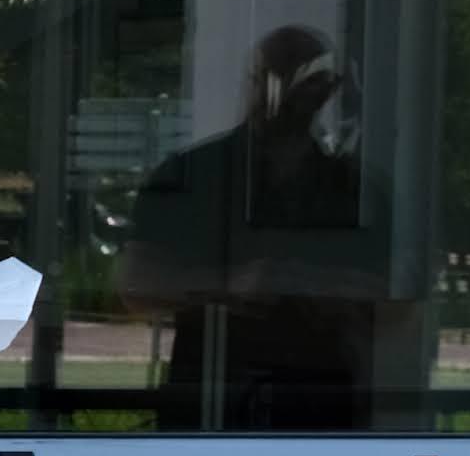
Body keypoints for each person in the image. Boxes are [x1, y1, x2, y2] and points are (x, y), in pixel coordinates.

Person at [123, 26, 386, 431]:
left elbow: (399, 296)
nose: (284, 94)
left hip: (322, 409)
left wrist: (315, 285)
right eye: (275, 77)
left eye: (308, 80)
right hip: (210, 404)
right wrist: (229, 284)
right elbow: (135, 287)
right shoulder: (190, 176)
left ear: (330, 90)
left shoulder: (356, 189)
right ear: (252, 81)